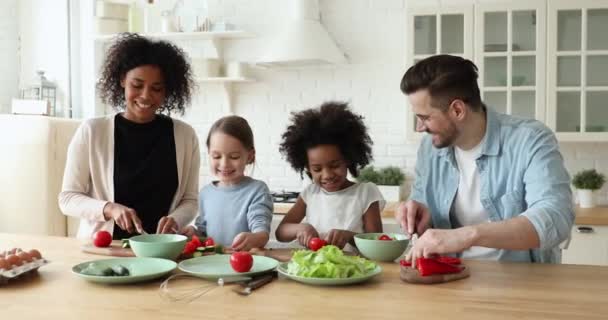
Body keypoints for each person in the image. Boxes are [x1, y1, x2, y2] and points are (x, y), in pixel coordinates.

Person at [397, 54, 574, 263]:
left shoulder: (529, 140)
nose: (420, 128)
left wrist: (468, 236)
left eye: (425, 117)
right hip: (449, 277)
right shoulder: (431, 148)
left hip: (521, 282)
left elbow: (555, 218)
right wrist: (418, 211)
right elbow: (423, 202)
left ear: (457, 110)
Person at [59, 33, 200, 240]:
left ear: (167, 91)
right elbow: (67, 199)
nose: (145, 95)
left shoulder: (185, 136)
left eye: (156, 88)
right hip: (104, 250)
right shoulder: (92, 131)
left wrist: (177, 219)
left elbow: (190, 200)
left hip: (161, 252)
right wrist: (110, 209)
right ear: (122, 79)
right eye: (137, 85)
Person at [275, 101, 385, 250]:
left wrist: (349, 236)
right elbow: (280, 232)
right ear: (307, 168)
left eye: (334, 165)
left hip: (354, 270)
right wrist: (301, 228)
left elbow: (377, 243)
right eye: (317, 169)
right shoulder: (310, 193)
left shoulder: (366, 193)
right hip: (314, 270)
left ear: (348, 159)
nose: (327, 175)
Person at [181, 116, 273, 250]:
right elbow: (204, 233)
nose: (224, 164)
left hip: (245, 264)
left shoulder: (258, 190)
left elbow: (262, 233)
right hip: (212, 263)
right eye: (216, 156)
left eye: (234, 157)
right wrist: (194, 233)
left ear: (250, 156)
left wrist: (255, 238)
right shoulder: (206, 193)